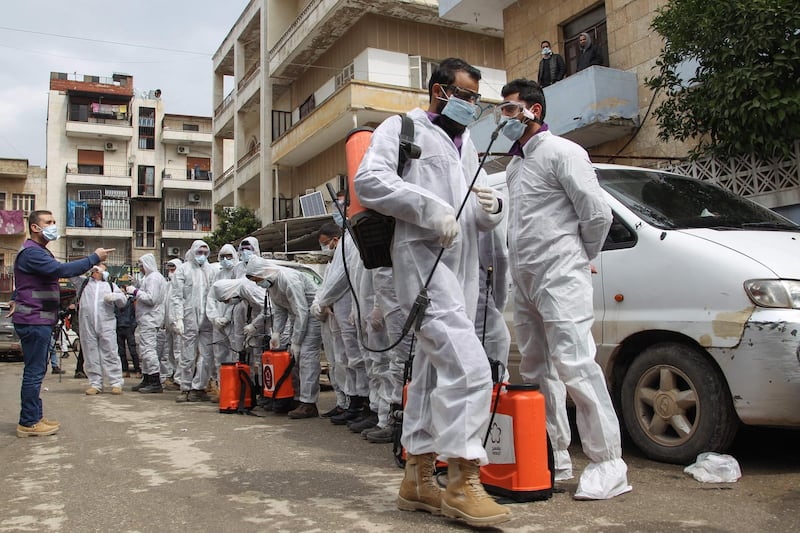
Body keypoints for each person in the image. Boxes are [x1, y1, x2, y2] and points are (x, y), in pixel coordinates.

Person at [354, 58, 509, 526]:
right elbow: (369, 181)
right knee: (470, 367)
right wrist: (427, 208)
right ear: (440, 91)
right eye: (465, 96)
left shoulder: (466, 143)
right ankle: (462, 479)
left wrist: (493, 206)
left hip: (459, 267)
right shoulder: (402, 128)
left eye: (476, 99)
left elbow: (480, 207)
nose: (472, 106)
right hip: (420, 259)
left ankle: (418, 478)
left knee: (431, 371)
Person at [497, 77, 630, 500]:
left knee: (575, 364)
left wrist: (575, 257)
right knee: (537, 369)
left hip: (559, 273)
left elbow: (597, 215)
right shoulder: (516, 165)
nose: (506, 119)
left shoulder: (564, 152)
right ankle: (554, 455)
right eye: (503, 110)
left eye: (511, 109)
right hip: (525, 279)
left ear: (535, 109)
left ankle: (609, 464)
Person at [13, 210, 112, 437]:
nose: (53, 226)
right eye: (48, 222)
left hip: (38, 318)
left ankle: (34, 416)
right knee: (34, 372)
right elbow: (60, 271)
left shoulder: (38, 251)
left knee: (37, 371)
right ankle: (28, 422)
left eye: (54, 222)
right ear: (35, 227)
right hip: (34, 319)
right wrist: (93, 258)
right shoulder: (32, 253)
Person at [244, 257, 322, 419]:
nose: (259, 284)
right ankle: (298, 398)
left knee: (306, 357)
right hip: (298, 317)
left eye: (258, 280)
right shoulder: (272, 286)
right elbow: (280, 311)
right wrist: (277, 333)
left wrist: (297, 341)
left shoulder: (288, 279)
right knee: (292, 359)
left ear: (264, 272)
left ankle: (309, 404)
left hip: (312, 315)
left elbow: (302, 310)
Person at [170, 240, 216, 403]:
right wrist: (178, 318)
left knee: (207, 355)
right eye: (199, 252)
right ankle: (185, 387)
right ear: (193, 252)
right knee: (187, 355)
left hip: (207, 319)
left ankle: (199, 387)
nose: (202, 256)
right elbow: (176, 297)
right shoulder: (183, 270)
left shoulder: (210, 270)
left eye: (205, 253)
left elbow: (214, 294)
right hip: (189, 318)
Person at [73, 264, 128, 395]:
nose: (97, 271)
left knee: (110, 352)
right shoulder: (84, 283)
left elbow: (123, 301)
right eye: (95, 268)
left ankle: (116, 382)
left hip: (106, 324)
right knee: (90, 353)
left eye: (101, 268)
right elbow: (71, 274)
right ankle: (95, 383)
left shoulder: (110, 286)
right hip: (87, 323)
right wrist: (86, 266)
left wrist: (116, 297)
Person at [128, 253, 167, 394]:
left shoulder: (154, 278)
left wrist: (135, 291)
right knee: (144, 350)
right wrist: (137, 285)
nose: (140, 268)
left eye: (141, 265)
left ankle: (155, 381)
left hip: (150, 319)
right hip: (146, 319)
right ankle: (147, 378)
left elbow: (151, 299)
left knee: (149, 351)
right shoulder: (150, 278)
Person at [115, 289, 140, 378]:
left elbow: (135, 314)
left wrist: (133, 326)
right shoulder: (116, 303)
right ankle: (125, 370)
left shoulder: (131, 301)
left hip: (129, 327)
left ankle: (137, 370)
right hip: (119, 328)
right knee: (121, 351)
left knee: (132, 350)